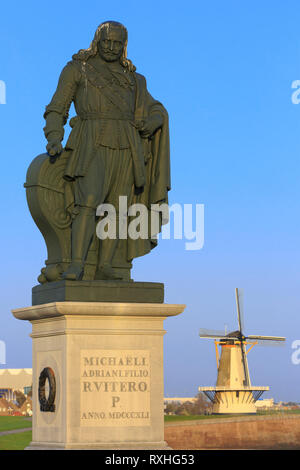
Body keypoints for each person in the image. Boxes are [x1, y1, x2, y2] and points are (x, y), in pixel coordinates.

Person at [44, 21, 170, 281]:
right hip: (91, 141)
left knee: (118, 208)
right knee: (88, 203)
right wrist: (54, 137)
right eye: (107, 42)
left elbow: (156, 109)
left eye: (117, 43)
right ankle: (76, 264)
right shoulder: (77, 70)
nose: (112, 48)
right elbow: (57, 108)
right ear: (97, 41)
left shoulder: (135, 80)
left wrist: (154, 121)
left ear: (124, 46)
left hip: (127, 145)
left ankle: (106, 265)